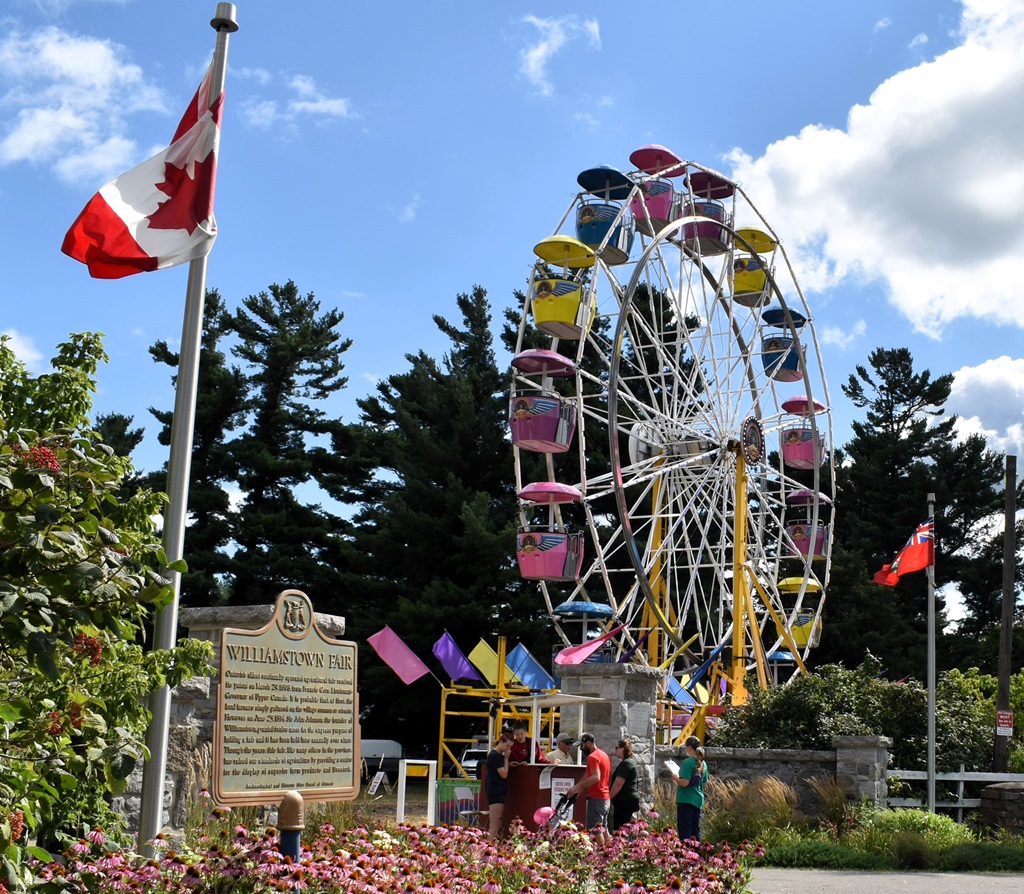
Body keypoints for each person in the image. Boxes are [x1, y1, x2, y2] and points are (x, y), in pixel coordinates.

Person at [567, 732, 611, 846]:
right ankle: (610, 853)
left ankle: (600, 856)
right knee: (604, 828)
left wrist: (578, 786)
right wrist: (577, 788)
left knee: (595, 830)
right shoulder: (603, 755)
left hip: (596, 797)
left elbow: (596, 777)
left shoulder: (593, 757)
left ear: (589, 743)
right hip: (605, 798)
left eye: (582, 745)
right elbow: (588, 775)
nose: (581, 748)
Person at [675, 735, 707, 842]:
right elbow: (704, 781)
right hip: (698, 799)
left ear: (689, 747)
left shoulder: (687, 762)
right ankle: (695, 855)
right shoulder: (703, 763)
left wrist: (675, 777)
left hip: (685, 799)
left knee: (685, 830)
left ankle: (685, 854)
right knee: (695, 829)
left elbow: (684, 783)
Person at [484, 733, 513, 839]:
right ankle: (490, 845)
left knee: (498, 823)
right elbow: (504, 774)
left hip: (498, 791)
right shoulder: (495, 756)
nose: (508, 749)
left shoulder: (496, 756)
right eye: (507, 746)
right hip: (495, 792)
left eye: (510, 747)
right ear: (501, 742)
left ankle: (493, 845)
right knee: (495, 825)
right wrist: (506, 759)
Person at [609, 738, 640, 832]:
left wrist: (609, 797)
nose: (615, 750)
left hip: (625, 801)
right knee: (628, 829)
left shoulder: (626, 763)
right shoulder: (630, 762)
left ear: (622, 749)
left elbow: (618, 783)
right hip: (629, 801)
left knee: (621, 830)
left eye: (616, 748)